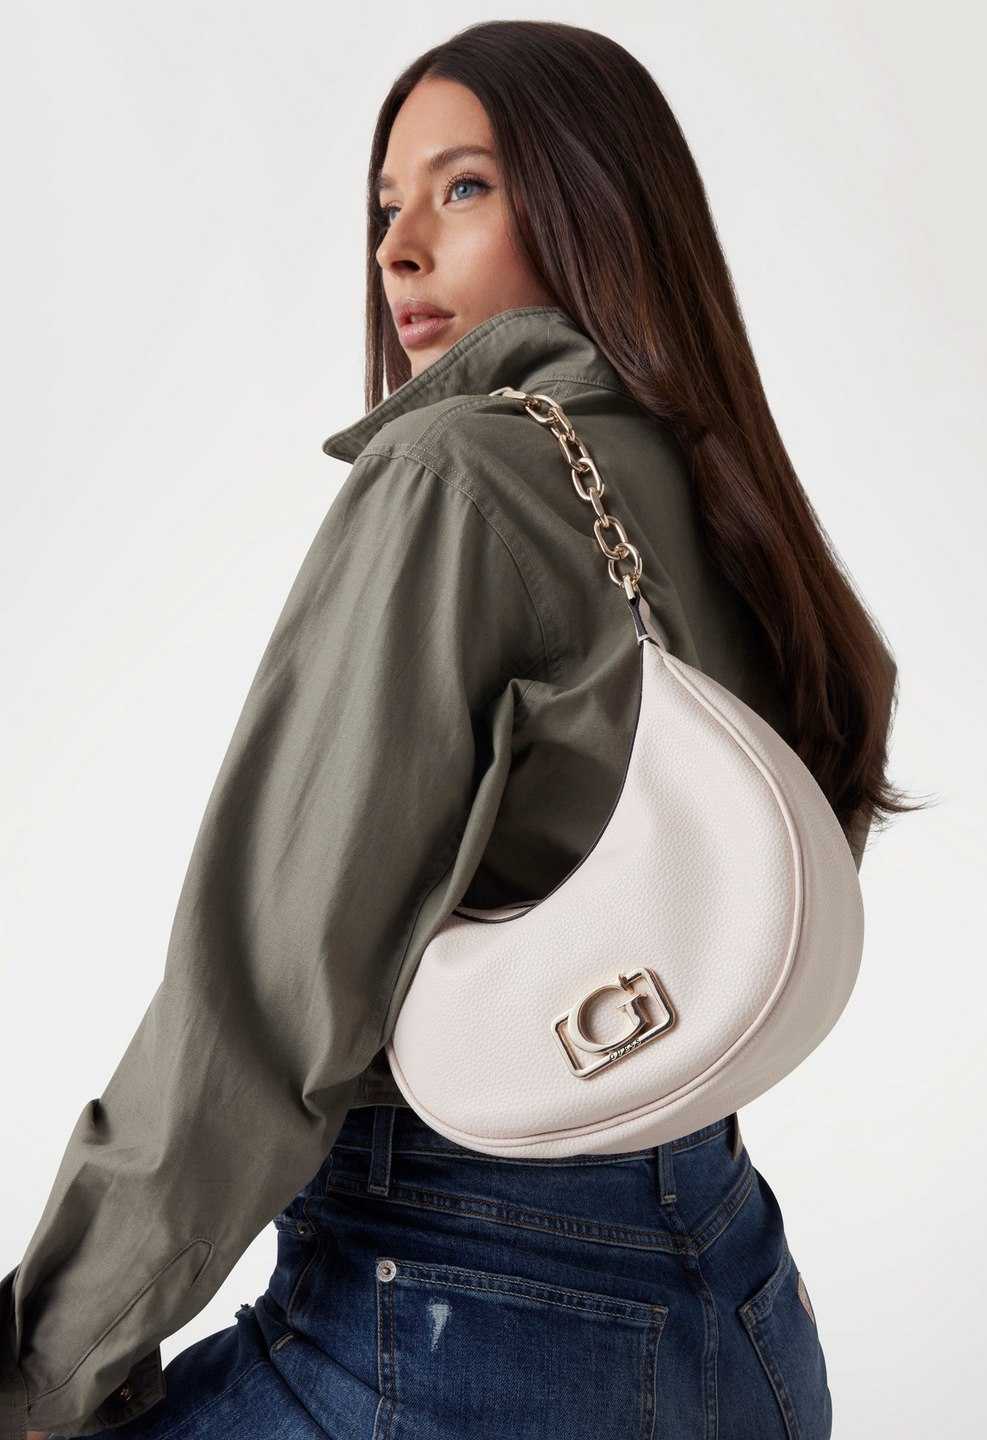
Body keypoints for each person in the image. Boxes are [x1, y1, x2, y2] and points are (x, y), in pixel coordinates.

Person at [2, 20, 917, 1440]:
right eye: (386, 206)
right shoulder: (717, 484)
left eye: (465, 187)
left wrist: (46, 1364)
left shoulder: (452, 471)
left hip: (440, 1315)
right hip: (742, 1300)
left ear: (594, 205)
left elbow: (264, 996)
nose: (399, 250)